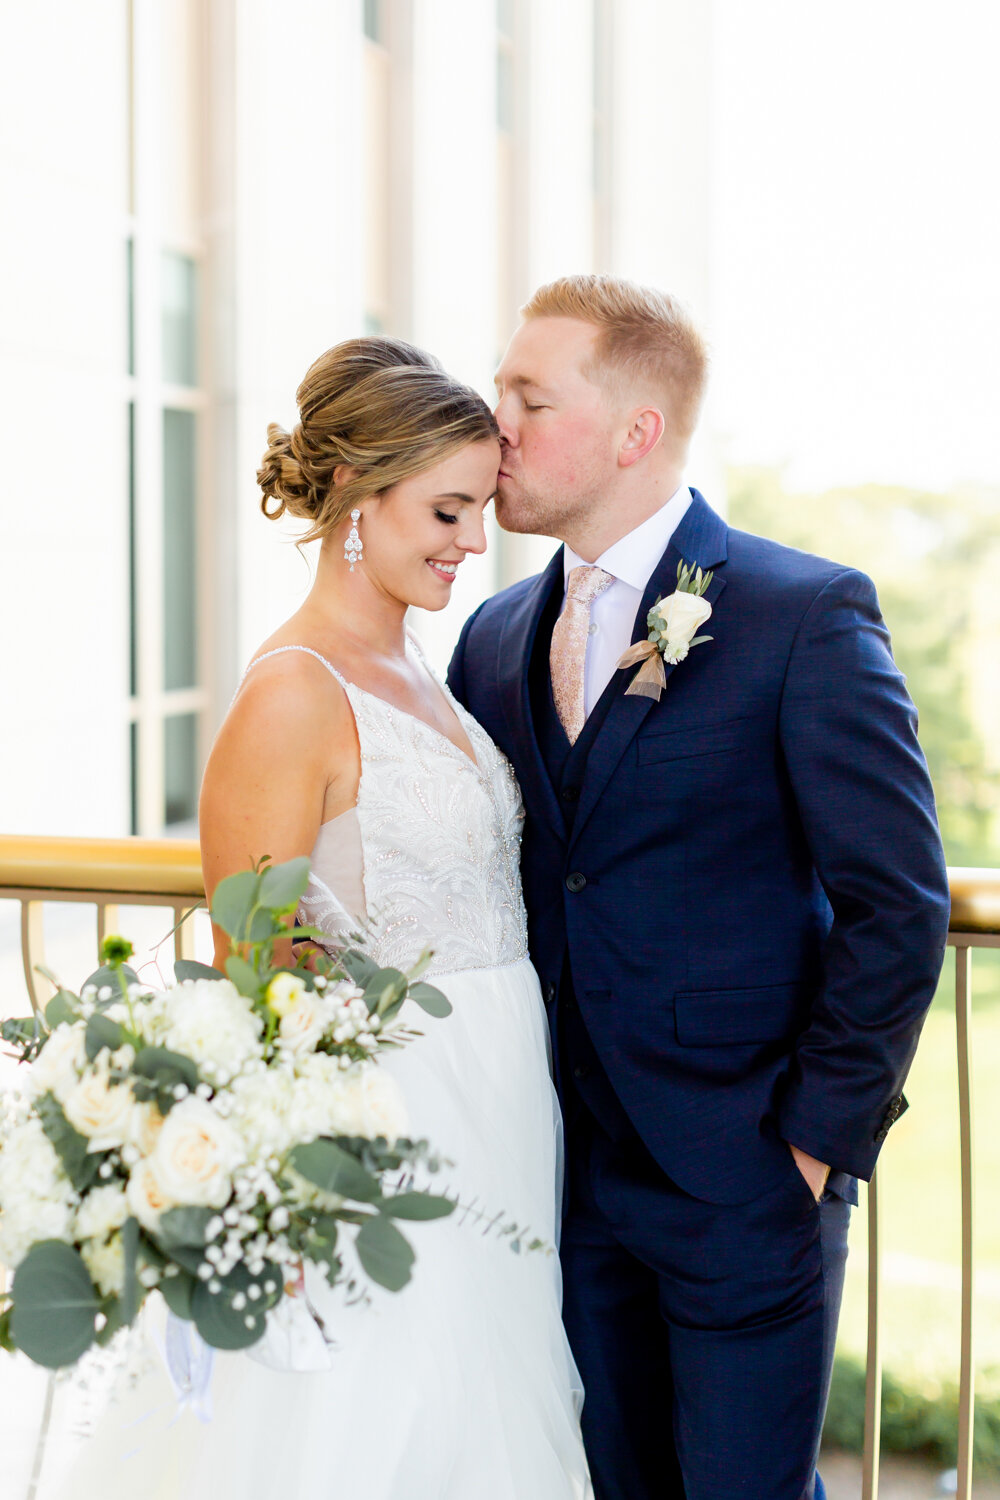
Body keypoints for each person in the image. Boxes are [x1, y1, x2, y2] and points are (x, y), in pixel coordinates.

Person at [40, 337, 591, 1499]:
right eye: (445, 510)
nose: (471, 540)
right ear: (354, 492)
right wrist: (283, 1187)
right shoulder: (295, 691)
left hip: (500, 1106)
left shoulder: (425, 669)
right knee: (372, 1425)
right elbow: (252, 966)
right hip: (383, 1127)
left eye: (478, 508)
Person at [447, 275, 952, 1500]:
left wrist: (812, 1148)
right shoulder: (492, 636)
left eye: (529, 399)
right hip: (551, 1184)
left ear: (636, 431)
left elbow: (896, 900)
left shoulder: (802, 614)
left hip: (745, 1176)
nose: (494, 422)